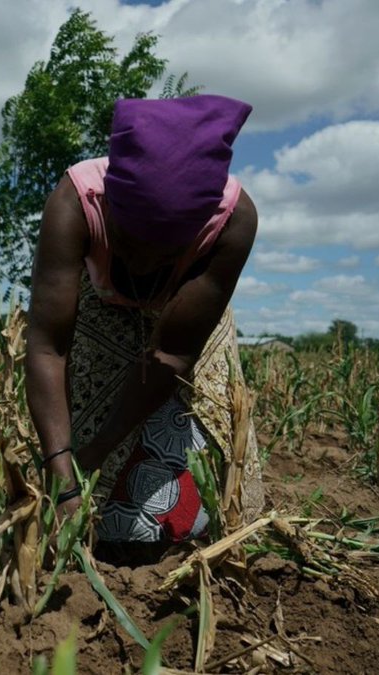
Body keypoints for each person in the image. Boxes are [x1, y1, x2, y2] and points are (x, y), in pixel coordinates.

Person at [25, 95, 264, 561]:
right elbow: (48, 347)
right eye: (129, 241)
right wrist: (64, 470)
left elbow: (171, 356)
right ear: (110, 206)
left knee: (207, 488)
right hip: (101, 303)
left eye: (165, 251)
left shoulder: (234, 221)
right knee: (86, 481)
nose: (142, 263)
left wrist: (94, 454)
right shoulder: (75, 201)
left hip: (185, 323)